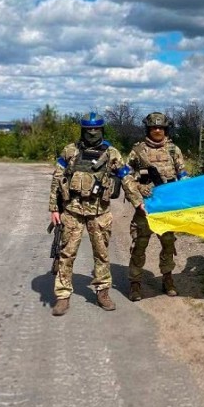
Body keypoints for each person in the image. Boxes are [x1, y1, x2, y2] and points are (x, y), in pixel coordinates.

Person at [48, 112, 129, 316]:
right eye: (88, 130)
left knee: (101, 254)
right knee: (66, 253)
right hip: (72, 210)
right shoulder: (70, 151)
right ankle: (63, 296)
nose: (92, 133)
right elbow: (57, 179)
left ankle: (102, 292)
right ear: (83, 130)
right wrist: (54, 208)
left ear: (102, 130)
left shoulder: (112, 153)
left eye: (96, 129)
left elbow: (126, 178)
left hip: (99, 212)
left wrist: (140, 203)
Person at [121, 112, 188, 300]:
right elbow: (126, 178)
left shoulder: (173, 150)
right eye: (153, 127)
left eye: (161, 127)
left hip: (167, 208)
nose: (157, 130)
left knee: (168, 244)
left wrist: (189, 191)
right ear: (148, 129)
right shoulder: (138, 151)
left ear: (166, 129)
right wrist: (138, 192)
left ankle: (168, 278)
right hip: (145, 207)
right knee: (139, 246)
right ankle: (135, 283)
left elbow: (182, 175)